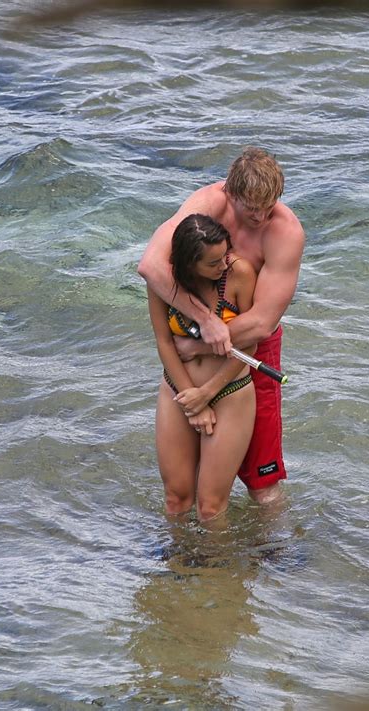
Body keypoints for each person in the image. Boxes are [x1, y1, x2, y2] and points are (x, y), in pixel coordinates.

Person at [139, 147, 305, 504]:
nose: (261, 216)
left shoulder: (285, 231)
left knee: (263, 481)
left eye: (269, 205)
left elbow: (261, 323)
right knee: (185, 485)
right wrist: (203, 321)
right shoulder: (207, 203)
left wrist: (200, 343)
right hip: (199, 325)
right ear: (230, 193)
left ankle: (279, 553)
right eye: (251, 207)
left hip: (251, 346)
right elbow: (151, 267)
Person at [147, 213, 257, 522]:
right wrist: (192, 401)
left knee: (209, 507)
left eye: (225, 256)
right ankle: (177, 564)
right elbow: (164, 342)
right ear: (187, 264)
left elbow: (250, 344)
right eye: (213, 263)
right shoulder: (164, 282)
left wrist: (206, 394)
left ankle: (216, 569)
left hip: (229, 392)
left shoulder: (239, 274)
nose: (223, 265)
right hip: (177, 390)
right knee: (176, 498)